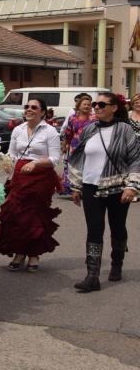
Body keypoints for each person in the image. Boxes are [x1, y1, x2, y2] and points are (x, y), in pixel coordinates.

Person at [68, 92, 140, 292]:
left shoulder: (125, 129)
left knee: (117, 228)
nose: (96, 108)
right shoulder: (89, 129)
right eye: (95, 104)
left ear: (114, 108)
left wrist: (132, 186)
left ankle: (117, 264)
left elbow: (135, 159)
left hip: (118, 188)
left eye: (101, 104)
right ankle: (92, 276)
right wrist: (76, 186)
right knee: (94, 229)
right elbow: (79, 157)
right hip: (91, 187)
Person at [0, 98, 61, 272]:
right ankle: (19, 252)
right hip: (20, 177)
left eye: (34, 107)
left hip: (41, 178)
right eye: (27, 107)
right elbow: (12, 153)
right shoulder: (18, 129)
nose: (29, 109)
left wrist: (35, 163)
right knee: (16, 215)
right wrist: (7, 162)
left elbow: (54, 159)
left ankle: (34, 254)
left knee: (34, 216)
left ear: (42, 112)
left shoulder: (50, 131)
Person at [60, 95, 94, 195]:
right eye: (84, 104)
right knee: (73, 166)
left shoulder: (94, 119)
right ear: (79, 106)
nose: (86, 106)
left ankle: (85, 189)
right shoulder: (72, 118)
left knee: (87, 167)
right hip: (74, 146)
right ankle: (71, 188)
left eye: (88, 105)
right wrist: (65, 144)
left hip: (89, 145)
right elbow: (68, 133)